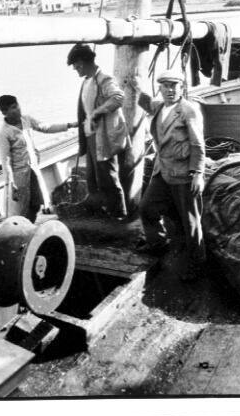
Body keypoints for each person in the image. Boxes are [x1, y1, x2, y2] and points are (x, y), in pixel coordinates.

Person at [131, 68, 206, 281]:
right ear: (160, 89)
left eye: (174, 86)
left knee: (190, 223)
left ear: (181, 88)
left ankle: (197, 265)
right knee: (146, 208)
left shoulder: (188, 110)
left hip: (183, 174)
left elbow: (198, 144)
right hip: (162, 171)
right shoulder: (159, 107)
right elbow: (146, 102)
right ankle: (158, 243)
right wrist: (135, 87)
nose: (170, 90)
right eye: (165, 86)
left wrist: (198, 173)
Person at [67, 44, 131, 219]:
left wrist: (97, 112)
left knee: (108, 177)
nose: (76, 70)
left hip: (103, 137)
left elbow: (118, 97)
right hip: (90, 136)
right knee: (92, 178)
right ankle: (102, 209)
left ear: (85, 62)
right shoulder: (86, 81)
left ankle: (119, 213)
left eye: (77, 66)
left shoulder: (104, 79)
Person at [0, 95, 77, 222]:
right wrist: (11, 183)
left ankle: (30, 226)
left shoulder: (26, 120)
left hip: (33, 170)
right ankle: (22, 232)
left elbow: (45, 127)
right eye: (13, 108)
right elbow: (6, 161)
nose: (18, 109)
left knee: (36, 204)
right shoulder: (4, 133)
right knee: (19, 211)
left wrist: (70, 125)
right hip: (18, 177)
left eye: (17, 105)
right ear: (4, 112)